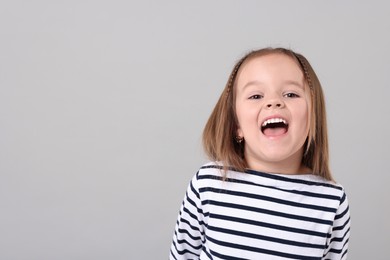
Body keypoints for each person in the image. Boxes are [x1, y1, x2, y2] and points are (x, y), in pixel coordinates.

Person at [169, 47, 351, 259]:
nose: (273, 102)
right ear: (236, 125)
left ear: (312, 119)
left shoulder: (332, 201)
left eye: (291, 94)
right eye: (256, 95)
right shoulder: (208, 184)